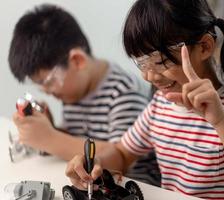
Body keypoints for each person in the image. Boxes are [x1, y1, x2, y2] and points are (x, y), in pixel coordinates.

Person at [65, 0, 224, 199]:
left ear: (204, 47)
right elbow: (123, 153)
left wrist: (221, 121)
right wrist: (96, 166)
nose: (149, 76)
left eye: (161, 61)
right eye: (142, 63)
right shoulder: (161, 107)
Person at [8, 4, 161, 186]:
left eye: (48, 82)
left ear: (77, 61)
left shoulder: (123, 93)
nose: (48, 91)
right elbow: (78, 141)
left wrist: (50, 139)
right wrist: (52, 130)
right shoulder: (73, 91)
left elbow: (122, 161)